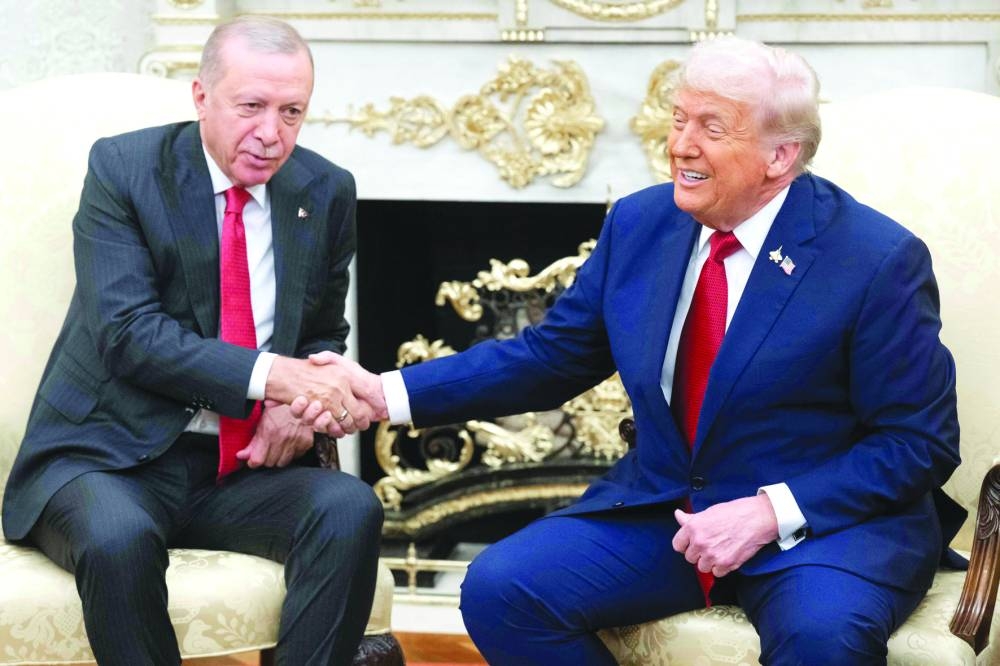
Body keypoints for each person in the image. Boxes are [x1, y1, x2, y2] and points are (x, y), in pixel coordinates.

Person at [300, 36, 965, 664]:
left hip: (821, 528)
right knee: (503, 589)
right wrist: (384, 392)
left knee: (823, 637)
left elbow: (917, 442)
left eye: (711, 127)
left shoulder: (874, 259)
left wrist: (769, 512)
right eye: (678, 119)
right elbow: (548, 356)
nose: (680, 144)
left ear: (780, 156)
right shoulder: (642, 223)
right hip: (669, 510)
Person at [1, 16, 382, 665]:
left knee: (349, 507)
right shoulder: (125, 169)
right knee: (119, 539)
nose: (272, 134)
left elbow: (322, 332)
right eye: (251, 107)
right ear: (202, 96)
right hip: (108, 458)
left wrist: (296, 408)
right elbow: (128, 333)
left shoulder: (324, 189)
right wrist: (277, 379)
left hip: (240, 469)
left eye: (292, 112)